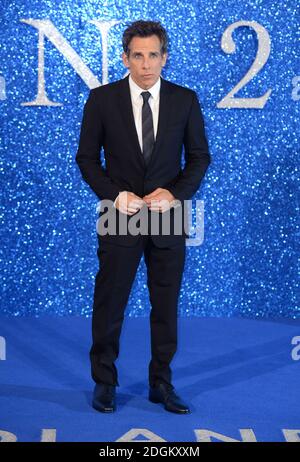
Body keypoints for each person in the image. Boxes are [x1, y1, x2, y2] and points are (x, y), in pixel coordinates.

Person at [76, 19, 210, 414]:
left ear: (165, 58)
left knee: (165, 304)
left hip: (168, 215)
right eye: (138, 55)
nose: (146, 64)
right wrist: (114, 195)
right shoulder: (102, 100)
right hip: (119, 213)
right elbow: (86, 158)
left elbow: (200, 157)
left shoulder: (185, 100)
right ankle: (104, 382)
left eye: (153, 55)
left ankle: (161, 383)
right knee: (110, 301)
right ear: (126, 57)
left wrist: (175, 193)